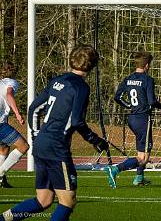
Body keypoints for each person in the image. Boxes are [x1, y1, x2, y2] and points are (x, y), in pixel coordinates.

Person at [0, 45, 109, 221]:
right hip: (57, 148)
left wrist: (36, 136)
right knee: (68, 201)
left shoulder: (57, 80)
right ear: (92, 65)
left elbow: (34, 108)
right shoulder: (81, 87)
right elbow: (76, 121)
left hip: (42, 143)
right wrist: (95, 140)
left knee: (43, 200)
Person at [104, 51, 161, 188]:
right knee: (143, 158)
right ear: (147, 65)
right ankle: (115, 169)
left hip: (132, 118)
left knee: (141, 152)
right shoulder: (148, 80)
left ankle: (139, 178)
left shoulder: (128, 79)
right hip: (143, 119)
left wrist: (129, 105)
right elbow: (152, 102)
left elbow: (117, 97)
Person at [0, 62, 29, 188]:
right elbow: (9, 94)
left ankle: (1, 179)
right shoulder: (11, 83)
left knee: (4, 148)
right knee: (24, 146)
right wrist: (17, 113)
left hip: (2, 121)